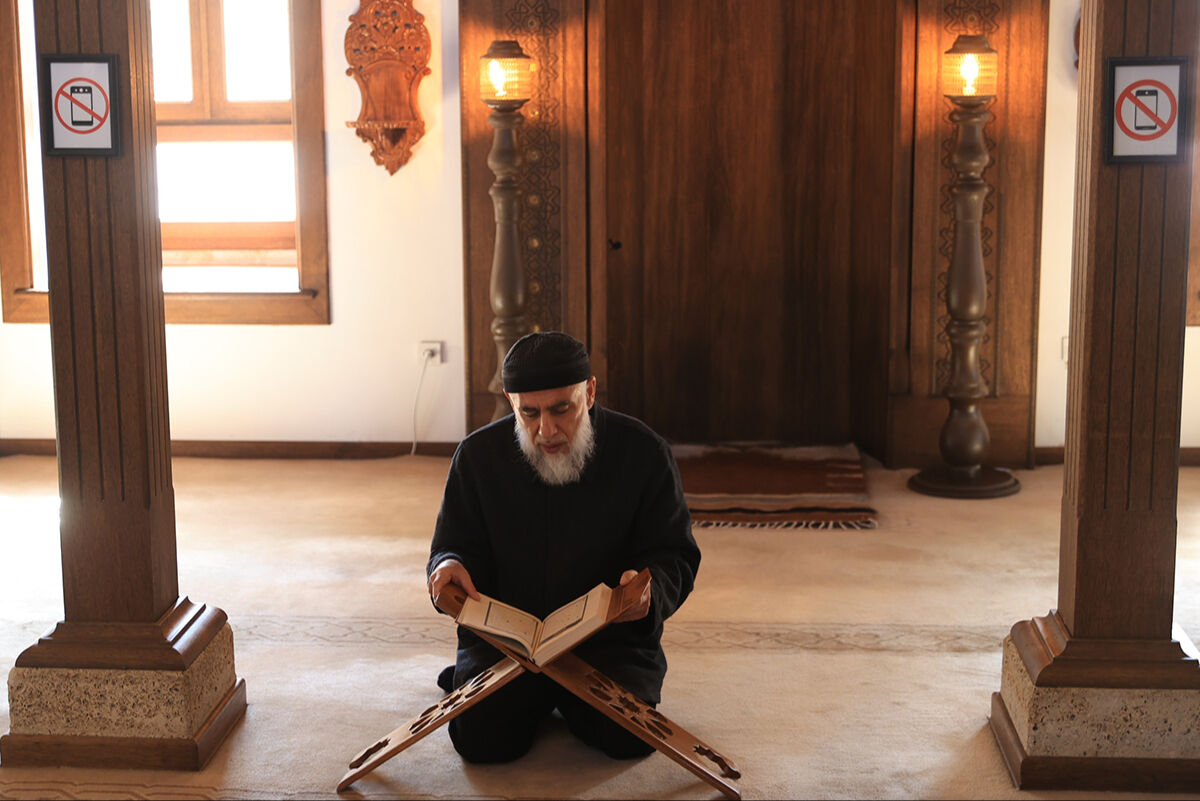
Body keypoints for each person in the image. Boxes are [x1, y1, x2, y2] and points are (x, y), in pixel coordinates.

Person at [426, 330, 701, 763]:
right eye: (529, 413)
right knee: (482, 741)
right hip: (507, 644)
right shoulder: (477, 457)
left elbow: (674, 553)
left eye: (561, 409)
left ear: (588, 392)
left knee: (627, 738)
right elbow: (454, 545)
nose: (546, 430)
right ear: (510, 400)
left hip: (607, 642)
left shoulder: (644, 453)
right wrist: (448, 565)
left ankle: (557, 700)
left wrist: (648, 591)